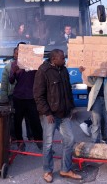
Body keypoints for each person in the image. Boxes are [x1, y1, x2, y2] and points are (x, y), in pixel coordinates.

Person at [33, 49, 82, 183]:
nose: (64, 60)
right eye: (62, 58)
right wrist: (47, 113)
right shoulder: (43, 71)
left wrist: (71, 108)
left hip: (64, 114)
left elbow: (68, 91)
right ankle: (47, 170)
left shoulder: (64, 70)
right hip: (50, 115)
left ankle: (65, 169)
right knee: (48, 144)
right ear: (54, 59)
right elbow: (38, 95)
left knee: (70, 140)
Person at [9, 42, 43, 150]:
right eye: (18, 51)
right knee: (17, 121)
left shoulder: (34, 62)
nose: (19, 53)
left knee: (35, 121)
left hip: (31, 97)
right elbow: (11, 81)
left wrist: (37, 62)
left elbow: (40, 75)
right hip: (18, 97)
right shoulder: (14, 64)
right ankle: (20, 142)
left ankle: (40, 142)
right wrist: (13, 73)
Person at [0, 47, 33, 141]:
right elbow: (4, 83)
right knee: (14, 118)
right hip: (13, 96)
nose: (19, 56)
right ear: (14, 55)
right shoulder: (9, 67)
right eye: (17, 54)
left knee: (29, 117)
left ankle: (31, 137)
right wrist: (4, 98)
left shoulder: (30, 66)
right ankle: (16, 138)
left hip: (27, 96)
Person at [79, 66, 107, 145]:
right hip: (96, 99)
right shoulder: (97, 70)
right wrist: (83, 73)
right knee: (95, 123)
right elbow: (89, 82)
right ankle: (94, 144)